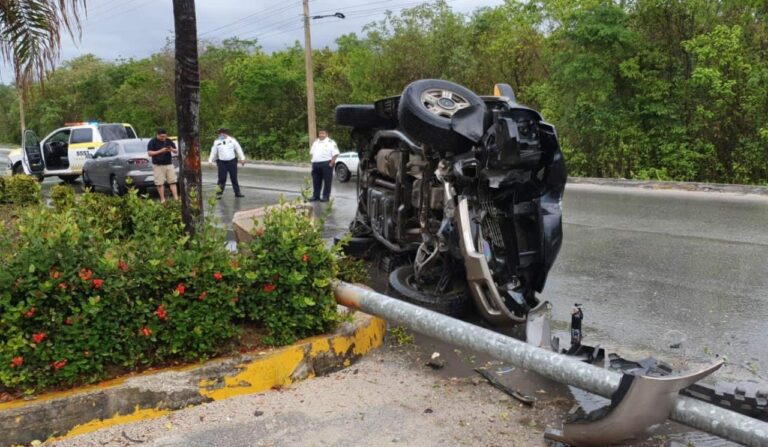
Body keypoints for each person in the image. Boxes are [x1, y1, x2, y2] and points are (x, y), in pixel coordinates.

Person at [208, 127, 246, 198]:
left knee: (234, 178)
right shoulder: (217, 142)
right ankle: (218, 194)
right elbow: (213, 152)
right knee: (221, 179)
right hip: (222, 163)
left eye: (222, 133)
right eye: (219, 133)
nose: (220, 134)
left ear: (225, 133)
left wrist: (242, 158)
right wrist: (210, 161)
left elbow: (238, 149)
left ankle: (237, 193)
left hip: (232, 161)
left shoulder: (232, 140)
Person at [147, 128, 178, 203]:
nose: (163, 138)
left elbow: (175, 151)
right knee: (160, 183)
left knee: (172, 181)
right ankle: (162, 199)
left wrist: (171, 149)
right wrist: (161, 151)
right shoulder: (152, 142)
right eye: (161, 136)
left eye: (164, 136)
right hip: (158, 165)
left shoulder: (168, 140)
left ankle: (176, 199)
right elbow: (149, 153)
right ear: (157, 135)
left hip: (169, 164)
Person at [309, 129, 339, 202]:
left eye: (323, 133)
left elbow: (335, 154)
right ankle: (316, 196)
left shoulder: (331, 142)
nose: (321, 135)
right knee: (316, 181)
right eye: (320, 133)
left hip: (326, 164)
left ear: (327, 134)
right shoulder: (316, 142)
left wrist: (331, 163)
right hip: (316, 164)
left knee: (327, 181)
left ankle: (325, 196)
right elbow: (312, 153)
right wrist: (313, 162)